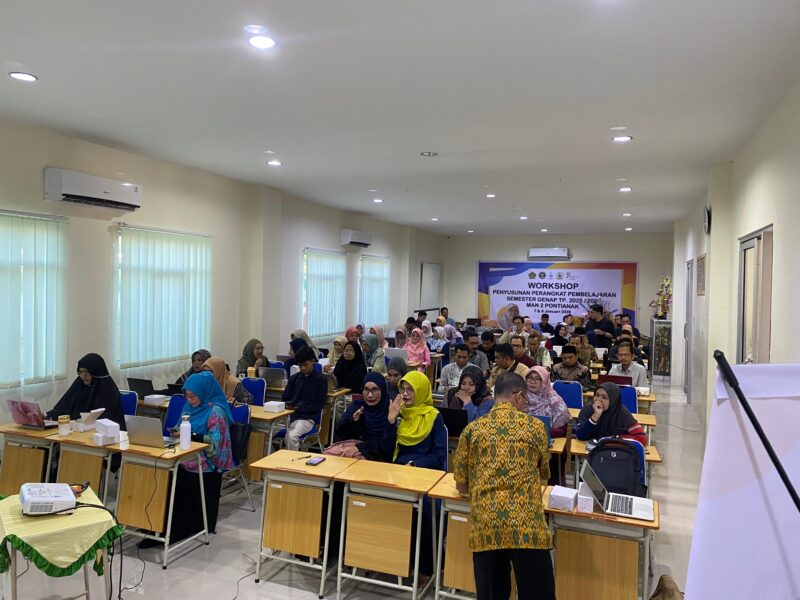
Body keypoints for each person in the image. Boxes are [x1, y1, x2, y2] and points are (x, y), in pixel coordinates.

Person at [453, 372, 555, 600]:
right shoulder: (535, 427)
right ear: (518, 396)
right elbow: (543, 475)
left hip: (487, 526)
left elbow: (461, 485)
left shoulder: (472, 430)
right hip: (527, 527)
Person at [165, 371, 233, 543]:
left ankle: (183, 527)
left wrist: (192, 435)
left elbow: (215, 444)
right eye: (187, 396)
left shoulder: (216, 411)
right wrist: (176, 432)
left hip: (206, 461)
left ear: (203, 392)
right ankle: (161, 525)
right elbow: (179, 426)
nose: (190, 400)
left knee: (178, 475)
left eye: (193, 396)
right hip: (186, 455)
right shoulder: (189, 407)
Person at [328, 372, 400, 460]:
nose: (370, 395)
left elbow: (387, 447)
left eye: (374, 390)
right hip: (354, 452)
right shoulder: (358, 406)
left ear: (383, 390)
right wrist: (353, 421)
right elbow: (339, 434)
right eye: (366, 390)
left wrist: (391, 421)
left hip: (378, 458)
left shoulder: (390, 409)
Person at [46, 353, 125, 429]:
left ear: (96, 372)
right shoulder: (79, 384)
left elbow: (106, 418)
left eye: (87, 372)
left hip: (103, 431)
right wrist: (48, 416)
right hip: (77, 429)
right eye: (81, 372)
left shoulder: (108, 389)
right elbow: (64, 407)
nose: (83, 376)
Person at [282, 347, 328, 450]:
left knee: (291, 437)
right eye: (300, 365)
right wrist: (287, 405)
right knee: (265, 431)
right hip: (289, 416)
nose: (302, 368)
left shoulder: (320, 379)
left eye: (305, 364)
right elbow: (285, 398)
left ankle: (292, 460)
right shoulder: (294, 378)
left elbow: (319, 404)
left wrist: (299, 408)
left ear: (313, 361)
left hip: (307, 418)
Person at [574, 382, 646, 445]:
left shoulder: (622, 412)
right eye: (597, 395)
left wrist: (616, 439)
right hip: (591, 452)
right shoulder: (588, 409)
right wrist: (595, 417)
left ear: (613, 400)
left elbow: (641, 438)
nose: (599, 400)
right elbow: (579, 435)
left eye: (604, 397)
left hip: (615, 451)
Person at [524, 367, 571, 437]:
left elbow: (562, 432)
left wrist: (538, 429)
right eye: (530, 378)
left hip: (548, 438)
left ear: (545, 381)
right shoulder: (520, 397)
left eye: (537, 379)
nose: (532, 382)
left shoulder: (556, 402)